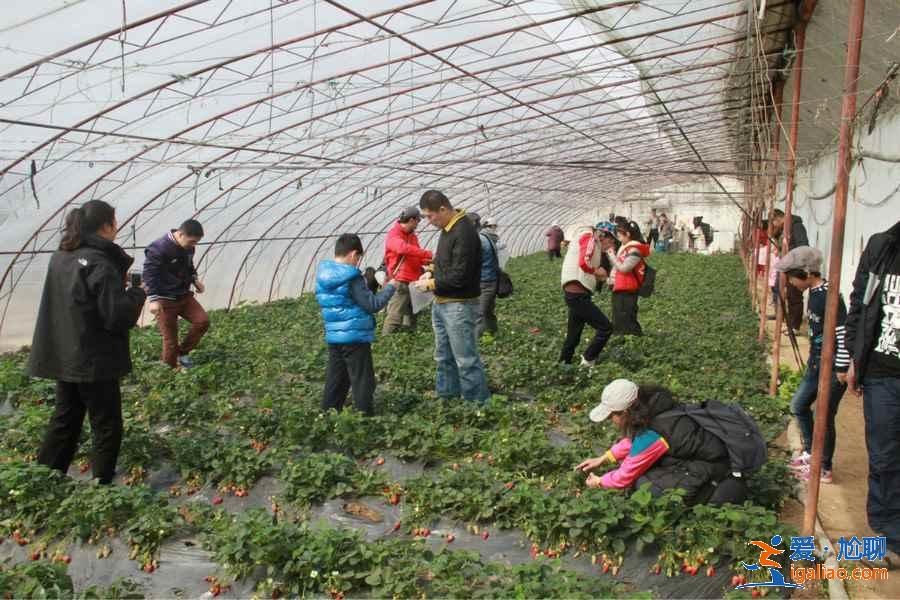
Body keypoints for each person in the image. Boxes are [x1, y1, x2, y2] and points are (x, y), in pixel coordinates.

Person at [27, 200, 146, 485]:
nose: (116, 227)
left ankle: (43, 479)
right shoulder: (99, 262)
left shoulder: (62, 256)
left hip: (65, 352)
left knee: (65, 417)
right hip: (94, 358)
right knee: (106, 423)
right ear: (107, 226)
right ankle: (102, 482)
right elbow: (116, 316)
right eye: (114, 222)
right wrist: (136, 294)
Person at [575, 379, 758, 505]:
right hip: (708, 456)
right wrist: (604, 458)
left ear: (625, 413)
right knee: (646, 470)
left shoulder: (653, 434)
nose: (610, 421)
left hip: (717, 470)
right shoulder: (653, 407)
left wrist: (599, 481)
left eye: (611, 416)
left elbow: (625, 476)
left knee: (645, 486)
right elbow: (634, 442)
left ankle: (710, 498)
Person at [845, 220, 900, 567]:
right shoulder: (884, 246)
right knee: (884, 458)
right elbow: (859, 302)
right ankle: (887, 539)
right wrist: (854, 355)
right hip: (883, 373)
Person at [775, 247, 849, 483]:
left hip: (832, 366)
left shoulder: (829, 296)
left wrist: (840, 368)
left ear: (807, 273)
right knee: (799, 405)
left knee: (824, 415)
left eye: (792, 278)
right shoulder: (814, 293)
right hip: (816, 363)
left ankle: (824, 467)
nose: (791, 283)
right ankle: (811, 452)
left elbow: (842, 333)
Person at [413, 190, 490, 404]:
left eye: (430, 216)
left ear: (443, 209)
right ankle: (447, 397)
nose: (428, 221)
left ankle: (477, 404)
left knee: (465, 359)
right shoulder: (447, 229)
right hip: (442, 303)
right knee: (443, 356)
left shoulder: (463, 231)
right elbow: (445, 264)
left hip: (459, 305)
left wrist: (430, 283)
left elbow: (460, 276)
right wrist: (431, 272)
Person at [316, 234, 396, 416]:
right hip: (355, 336)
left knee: (336, 380)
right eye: (358, 258)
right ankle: (364, 419)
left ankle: (328, 415)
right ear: (353, 254)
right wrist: (391, 287)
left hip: (334, 336)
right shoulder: (352, 277)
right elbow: (372, 305)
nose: (357, 263)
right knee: (363, 381)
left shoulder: (324, 274)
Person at [143, 220, 209, 369]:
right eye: (192, 241)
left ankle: (183, 352)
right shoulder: (159, 248)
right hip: (164, 299)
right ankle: (169, 372)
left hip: (183, 295)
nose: (194, 245)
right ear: (180, 234)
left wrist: (195, 280)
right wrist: (153, 299)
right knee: (170, 341)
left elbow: (188, 266)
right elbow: (149, 274)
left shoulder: (189, 247)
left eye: (197, 242)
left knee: (202, 321)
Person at [559, 222, 614, 367]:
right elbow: (584, 262)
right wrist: (597, 271)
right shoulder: (589, 237)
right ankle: (588, 359)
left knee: (573, 334)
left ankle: (564, 363)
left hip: (575, 292)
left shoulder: (591, 240)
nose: (611, 244)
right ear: (603, 235)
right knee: (605, 327)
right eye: (611, 240)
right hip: (577, 293)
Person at [382, 206, 433, 334]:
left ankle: (409, 344)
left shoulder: (412, 236)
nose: (418, 224)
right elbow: (402, 248)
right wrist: (427, 254)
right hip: (400, 281)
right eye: (417, 221)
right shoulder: (394, 234)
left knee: (412, 315)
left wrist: (429, 261)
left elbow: (416, 254)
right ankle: (384, 343)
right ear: (411, 220)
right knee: (395, 316)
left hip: (413, 282)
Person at [607, 220, 650, 336]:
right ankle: (621, 338)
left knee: (627, 317)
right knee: (619, 316)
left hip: (628, 288)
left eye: (620, 235)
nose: (618, 238)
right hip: (620, 286)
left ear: (628, 234)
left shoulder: (634, 250)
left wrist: (612, 257)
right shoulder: (625, 248)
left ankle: (635, 338)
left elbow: (624, 268)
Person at [772, 209, 810, 332]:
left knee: (794, 296)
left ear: (778, 218)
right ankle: (785, 319)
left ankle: (795, 327)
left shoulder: (797, 227)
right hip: (787, 265)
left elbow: (803, 245)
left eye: (774, 222)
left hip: (796, 265)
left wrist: (788, 252)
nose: (774, 226)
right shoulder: (785, 228)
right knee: (784, 292)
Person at [472, 214, 504, 338]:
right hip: (491, 279)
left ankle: (475, 340)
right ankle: (493, 332)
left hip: (485, 281)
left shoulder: (479, 239)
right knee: (488, 310)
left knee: (479, 313)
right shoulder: (488, 237)